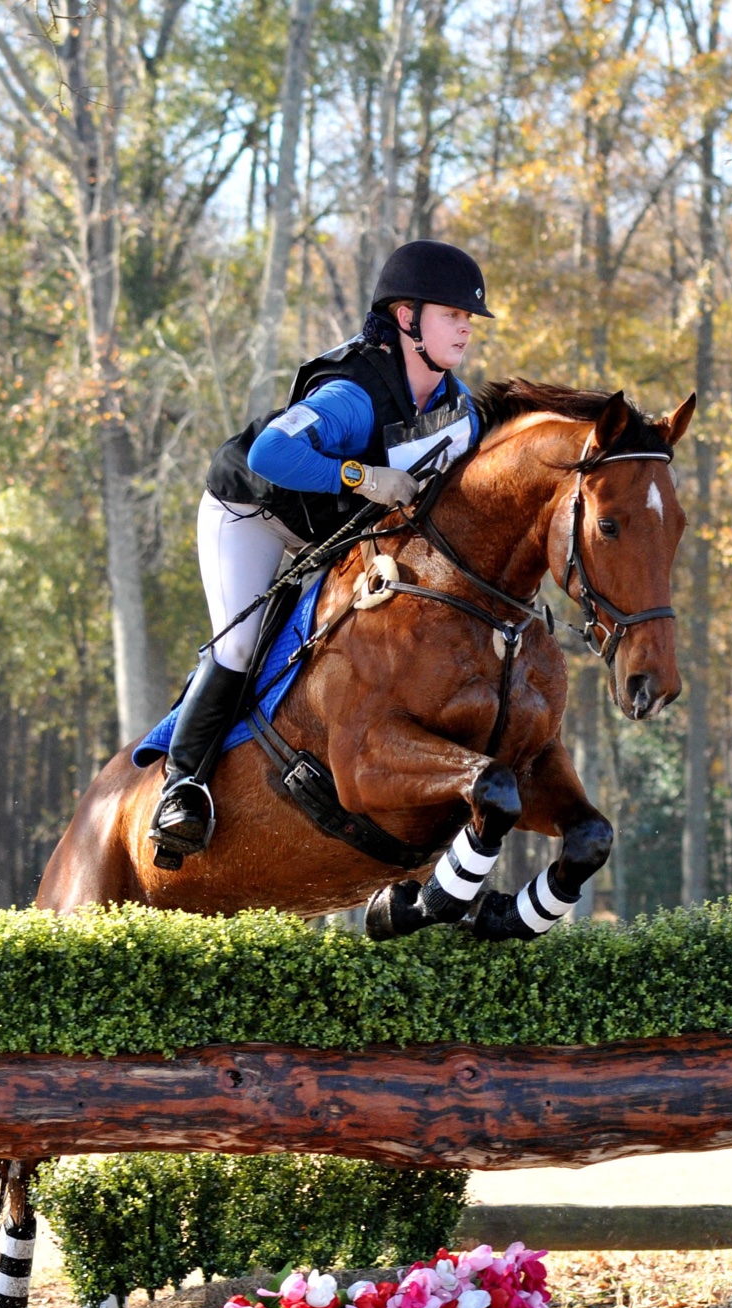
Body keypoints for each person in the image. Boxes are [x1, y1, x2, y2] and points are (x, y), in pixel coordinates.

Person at [149, 239, 495, 865]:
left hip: (329, 534)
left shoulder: (459, 410)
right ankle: (184, 788)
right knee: (240, 644)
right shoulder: (354, 393)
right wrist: (364, 478)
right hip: (253, 513)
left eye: (468, 318)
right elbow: (268, 457)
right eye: (453, 315)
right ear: (406, 319)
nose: (466, 328)